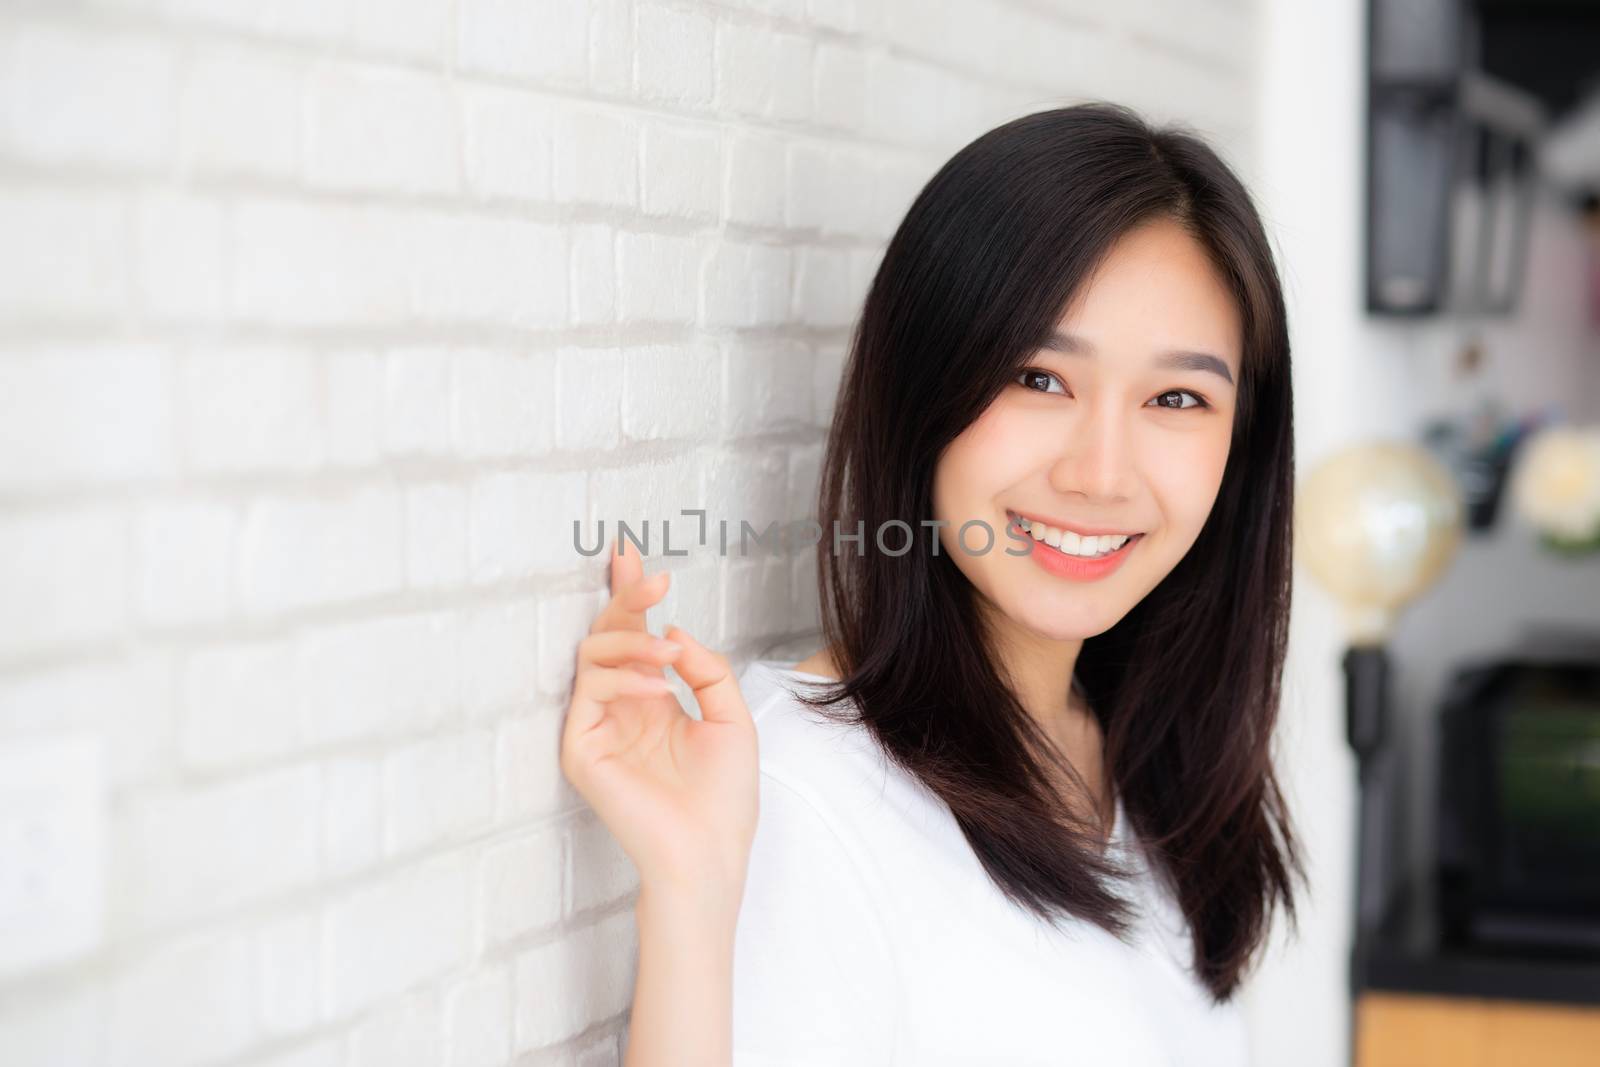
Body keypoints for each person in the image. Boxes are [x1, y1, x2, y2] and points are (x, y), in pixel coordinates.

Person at [559, 101, 1307, 1066]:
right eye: (1040, 378)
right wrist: (693, 894)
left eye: (1177, 398)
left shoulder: (1133, 756)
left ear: (1239, 445)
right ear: (924, 390)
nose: (1102, 472)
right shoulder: (808, 792)